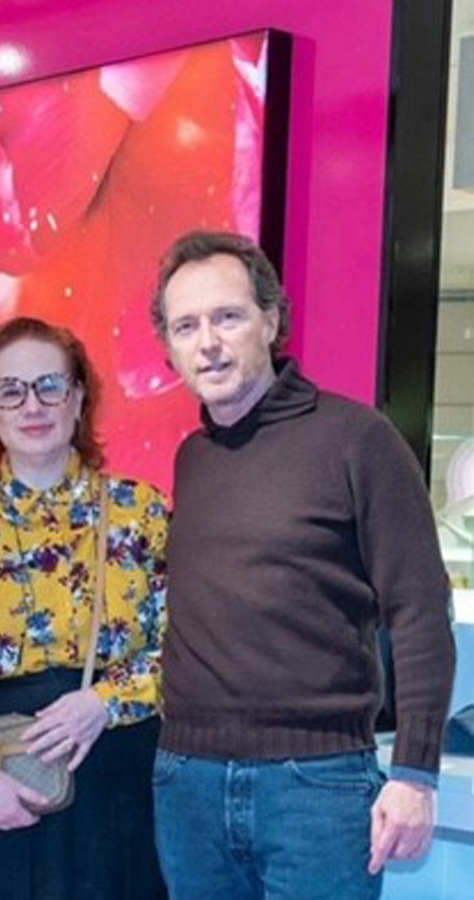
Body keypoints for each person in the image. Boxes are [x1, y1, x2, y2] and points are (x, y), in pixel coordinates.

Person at [150, 230, 456, 900]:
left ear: (270, 320)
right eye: (186, 325)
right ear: (169, 346)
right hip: (187, 781)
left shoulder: (358, 439)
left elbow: (419, 608)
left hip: (317, 785)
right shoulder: (192, 458)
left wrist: (415, 772)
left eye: (228, 317)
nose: (208, 342)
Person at [0, 316, 169, 900]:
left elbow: (181, 649)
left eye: (50, 385)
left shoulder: (141, 512)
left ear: (78, 397)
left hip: (114, 777)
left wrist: (104, 702)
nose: (33, 405)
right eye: (11, 390)